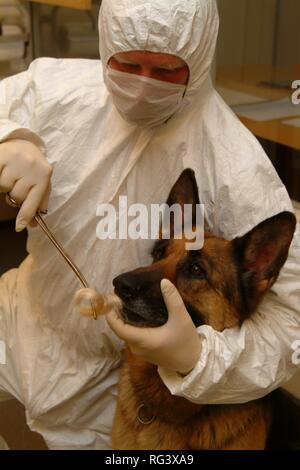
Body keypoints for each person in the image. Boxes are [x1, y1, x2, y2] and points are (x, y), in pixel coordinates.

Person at [0, 0, 299, 450]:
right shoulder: (55, 89)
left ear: (197, 63)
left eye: (165, 71)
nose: (142, 85)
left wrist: (199, 359)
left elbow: (290, 324)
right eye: (127, 64)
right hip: (26, 317)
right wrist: (9, 137)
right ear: (107, 50)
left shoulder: (235, 163)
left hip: (126, 384)